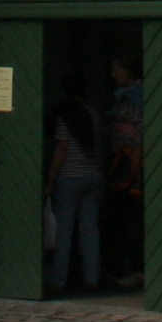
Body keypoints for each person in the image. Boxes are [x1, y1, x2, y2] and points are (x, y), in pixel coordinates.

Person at [46, 92, 104, 294]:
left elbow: (62, 148)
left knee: (64, 231)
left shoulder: (65, 115)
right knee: (90, 230)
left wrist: (51, 178)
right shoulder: (93, 113)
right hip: (94, 176)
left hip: (69, 178)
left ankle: (58, 281)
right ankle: (92, 279)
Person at [105, 56, 146, 290]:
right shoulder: (121, 98)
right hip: (120, 164)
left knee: (132, 220)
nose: (113, 75)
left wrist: (134, 172)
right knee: (120, 220)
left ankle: (137, 270)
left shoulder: (137, 98)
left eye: (117, 69)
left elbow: (139, 136)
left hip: (130, 168)